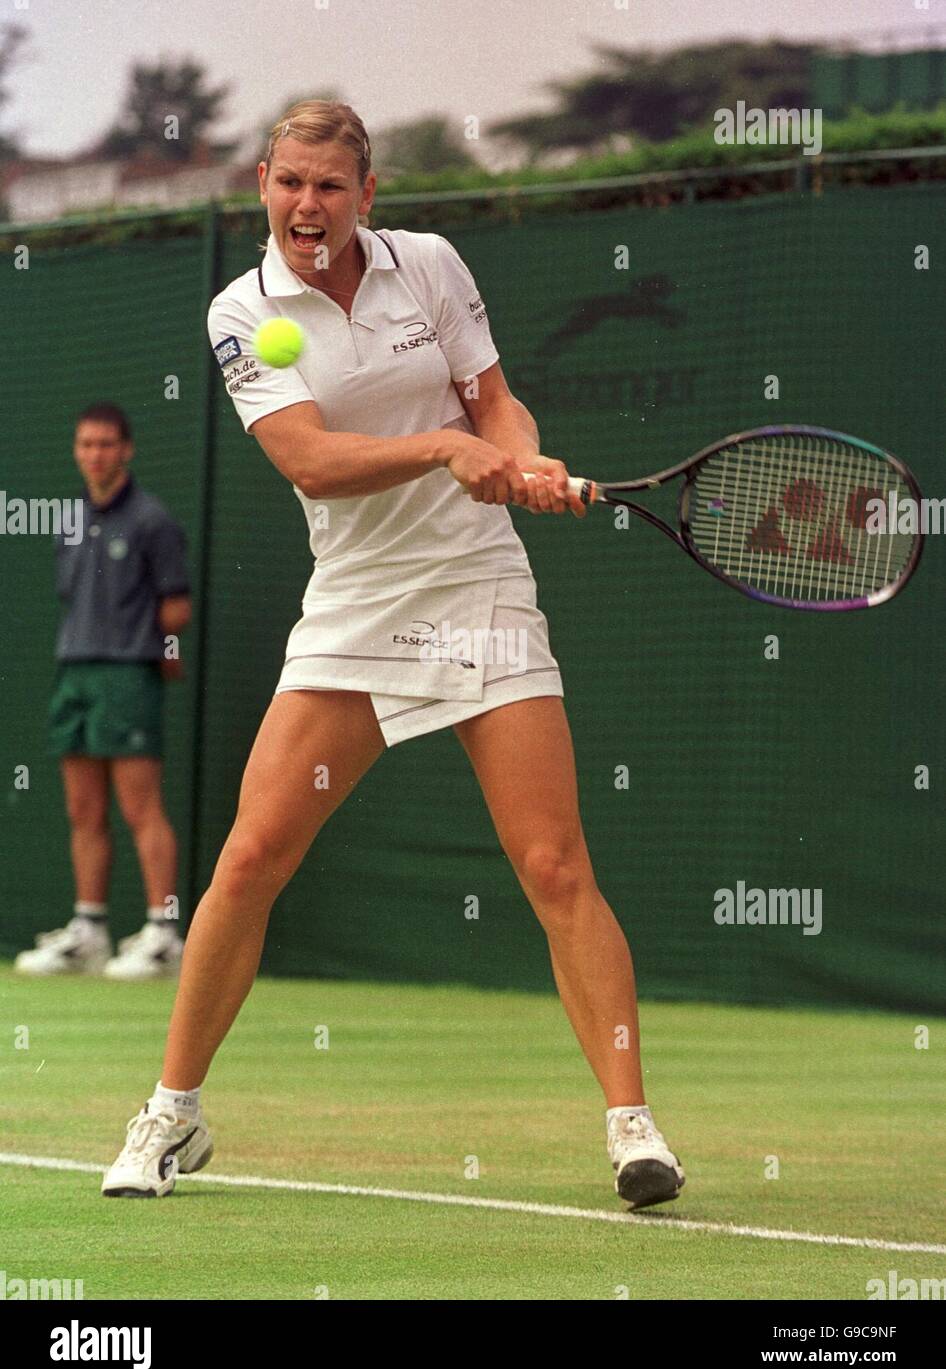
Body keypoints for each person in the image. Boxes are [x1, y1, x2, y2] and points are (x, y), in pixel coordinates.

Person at [101, 100, 684, 1207]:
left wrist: (523, 458)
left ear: (368, 194)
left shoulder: (430, 265)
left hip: (478, 587)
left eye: (329, 185)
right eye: (287, 183)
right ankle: (172, 1112)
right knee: (252, 854)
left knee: (554, 865)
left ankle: (632, 1127)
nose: (306, 206)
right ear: (260, 184)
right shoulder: (241, 310)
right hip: (359, 605)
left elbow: (496, 403)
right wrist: (448, 448)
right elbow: (311, 462)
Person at [15, 403, 191, 982]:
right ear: (77, 451)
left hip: (127, 675)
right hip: (75, 674)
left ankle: (164, 935)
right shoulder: (68, 519)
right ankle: (89, 931)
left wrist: (163, 653)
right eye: (87, 444)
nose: (96, 454)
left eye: (107, 444)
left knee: (141, 808)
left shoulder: (152, 521)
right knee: (81, 810)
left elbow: (176, 606)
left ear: (127, 449)